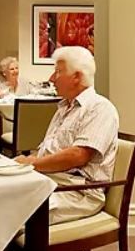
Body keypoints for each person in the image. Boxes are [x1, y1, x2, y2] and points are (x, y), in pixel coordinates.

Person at [14, 46, 119, 225]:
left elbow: (78, 155)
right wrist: (24, 162)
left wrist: (31, 164)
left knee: (11, 210)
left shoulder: (100, 108)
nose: (51, 78)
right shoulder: (64, 108)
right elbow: (48, 150)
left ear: (76, 76)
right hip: (51, 181)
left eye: (57, 72)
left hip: (77, 193)